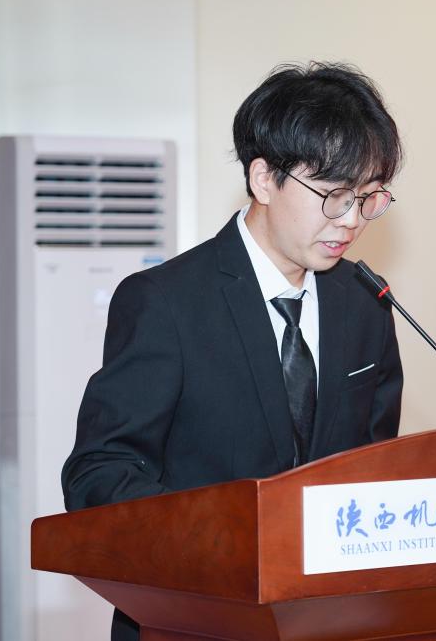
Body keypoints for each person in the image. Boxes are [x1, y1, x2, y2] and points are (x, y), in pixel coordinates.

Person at [61, 61, 404, 640]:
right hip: (195, 617)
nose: (351, 221)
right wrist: (225, 544)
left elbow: (375, 464)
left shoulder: (364, 301)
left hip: (329, 620)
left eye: (368, 198)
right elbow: (101, 473)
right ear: (263, 178)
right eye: (334, 196)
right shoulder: (165, 302)